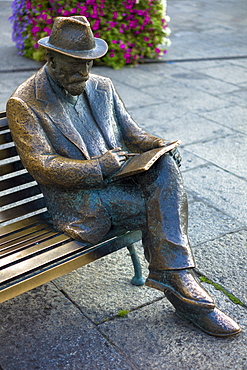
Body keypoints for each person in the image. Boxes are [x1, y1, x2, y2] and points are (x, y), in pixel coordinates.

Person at [6, 16, 241, 337]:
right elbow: (42, 166)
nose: (85, 74)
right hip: (80, 201)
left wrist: (159, 145)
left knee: (166, 167)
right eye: (75, 66)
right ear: (51, 59)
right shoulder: (25, 102)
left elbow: (133, 134)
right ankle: (184, 288)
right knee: (161, 208)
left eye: (88, 64)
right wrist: (98, 167)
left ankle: (176, 277)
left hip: (119, 179)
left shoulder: (102, 87)